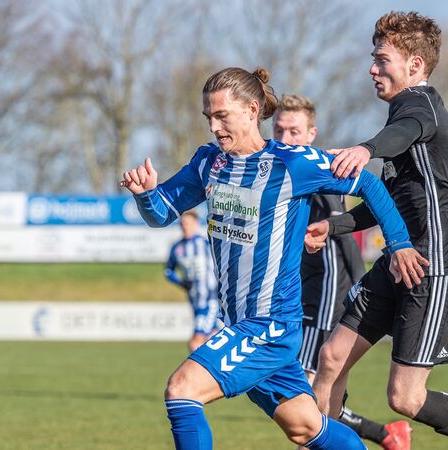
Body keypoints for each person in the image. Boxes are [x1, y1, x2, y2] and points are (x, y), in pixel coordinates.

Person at [121, 66, 429, 450]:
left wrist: (399, 243)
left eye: (222, 115)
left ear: (252, 110)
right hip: (239, 323)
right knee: (306, 428)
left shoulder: (292, 162)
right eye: (208, 117)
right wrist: (145, 195)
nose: (214, 127)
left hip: (269, 326)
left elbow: (367, 183)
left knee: (182, 390)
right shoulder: (208, 162)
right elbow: (161, 212)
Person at [304, 11, 448, 450]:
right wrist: (332, 226)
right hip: (401, 257)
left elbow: (405, 130)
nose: (372, 69)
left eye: (382, 60)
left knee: (405, 398)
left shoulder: (420, 105)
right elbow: (386, 204)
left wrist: (366, 149)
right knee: (331, 358)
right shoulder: (403, 119)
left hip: (437, 263)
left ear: (415, 65)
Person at [273, 94, 412, 449]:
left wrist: (352, 292)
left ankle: (372, 436)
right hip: (304, 293)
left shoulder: (317, 174)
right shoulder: (280, 170)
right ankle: (385, 434)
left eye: (294, 131)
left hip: (324, 295)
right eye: (279, 130)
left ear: (312, 133)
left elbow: (342, 240)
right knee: (308, 391)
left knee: (304, 393)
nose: (285, 139)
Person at [165, 210, 222, 352]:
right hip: (194, 300)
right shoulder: (177, 248)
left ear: (196, 224)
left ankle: (198, 367)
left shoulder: (206, 244)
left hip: (210, 299)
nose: (185, 226)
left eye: (188, 223)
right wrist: (181, 283)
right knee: (213, 338)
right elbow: (168, 271)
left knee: (195, 342)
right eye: (182, 223)